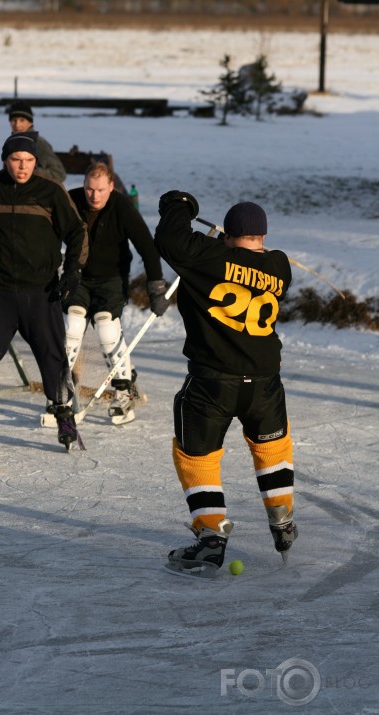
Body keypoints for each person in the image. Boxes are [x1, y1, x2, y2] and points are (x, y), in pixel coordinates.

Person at [154, 192, 297, 575]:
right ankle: (282, 518)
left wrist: (180, 205)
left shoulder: (209, 259)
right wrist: (224, 247)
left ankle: (211, 537)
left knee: (197, 457)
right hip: (265, 381)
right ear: (263, 236)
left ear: (228, 233)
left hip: (213, 382)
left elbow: (170, 240)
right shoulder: (280, 266)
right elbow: (242, 263)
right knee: (272, 450)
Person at [0, 131, 88, 451]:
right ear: (5, 160)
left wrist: (72, 272)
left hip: (41, 290)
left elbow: (77, 232)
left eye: (28, 161)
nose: (22, 166)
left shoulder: (50, 191)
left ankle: (64, 412)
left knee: (52, 356)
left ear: (36, 162)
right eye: (15, 160)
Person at [61, 161, 170, 425]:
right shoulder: (71, 201)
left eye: (100, 189)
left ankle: (124, 391)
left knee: (106, 329)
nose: (94, 196)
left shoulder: (122, 207)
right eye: (89, 189)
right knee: (72, 326)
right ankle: (63, 391)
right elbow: (48, 235)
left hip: (111, 279)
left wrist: (156, 287)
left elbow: (147, 246)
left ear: (111, 186)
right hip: (77, 277)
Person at [7, 100, 67, 185]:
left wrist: (31, 172)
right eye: (14, 120)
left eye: (22, 120)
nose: (17, 124)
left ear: (30, 123)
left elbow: (59, 174)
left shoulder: (38, 143)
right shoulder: (11, 143)